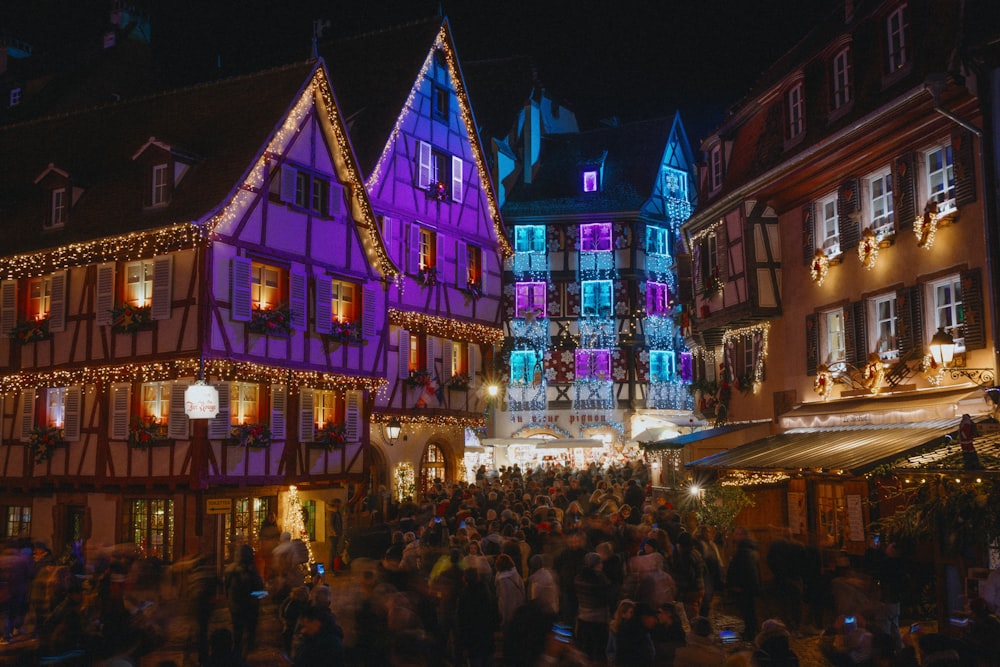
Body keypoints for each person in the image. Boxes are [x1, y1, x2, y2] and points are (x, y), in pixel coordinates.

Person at [224, 544, 265, 658]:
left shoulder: (230, 569)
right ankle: (245, 654)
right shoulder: (251, 569)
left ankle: (237, 653)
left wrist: (229, 599)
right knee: (249, 630)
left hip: (235, 604)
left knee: (237, 630)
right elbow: (258, 586)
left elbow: (226, 586)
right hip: (249, 605)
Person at [728, 526, 762, 640]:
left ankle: (751, 633)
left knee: (748, 610)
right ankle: (750, 630)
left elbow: (746, 570)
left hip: (744, 588)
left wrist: (739, 585)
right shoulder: (747, 549)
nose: (734, 536)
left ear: (743, 535)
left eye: (737, 534)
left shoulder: (744, 550)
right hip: (748, 587)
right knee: (748, 610)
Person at [606, 599, 636, 666]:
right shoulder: (614, 628)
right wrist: (612, 661)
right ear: (623, 613)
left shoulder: (634, 628)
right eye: (631, 612)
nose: (633, 615)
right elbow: (610, 649)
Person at [329, 497, 345, 574]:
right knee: (333, 551)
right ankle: (332, 568)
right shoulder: (333, 512)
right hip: (334, 535)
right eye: (338, 503)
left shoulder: (337, 512)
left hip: (337, 534)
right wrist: (335, 532)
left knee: (336, 551)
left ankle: (336, 567)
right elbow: (331, 524)